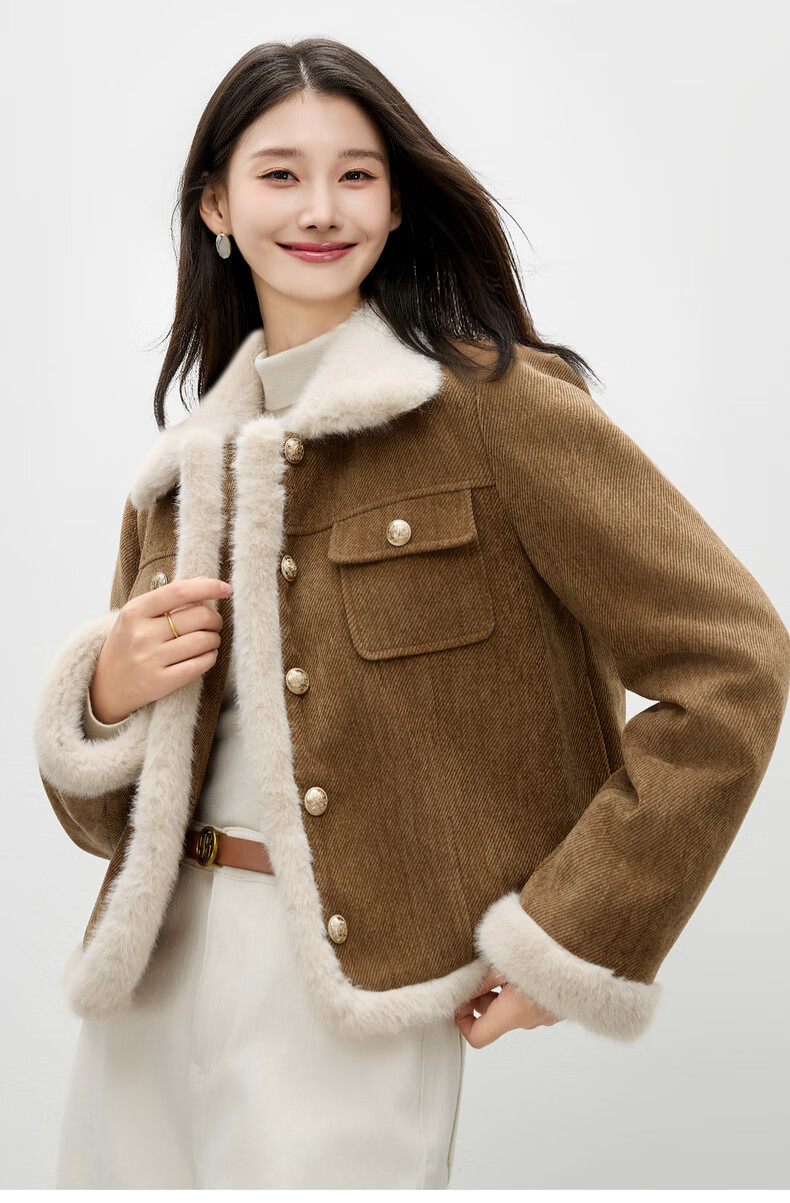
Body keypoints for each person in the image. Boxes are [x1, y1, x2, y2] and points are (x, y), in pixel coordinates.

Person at [33, 37, 790, 1191]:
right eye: (280, 174)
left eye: (356, 174)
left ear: (395, 204)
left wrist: (575, 934)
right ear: (216, 206)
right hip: (148, 984)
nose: (320, 207)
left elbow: (733, 663)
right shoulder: (180, 474)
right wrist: (102, 696)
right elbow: (106, 829)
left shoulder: (489, 406)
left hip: (353, 1000)